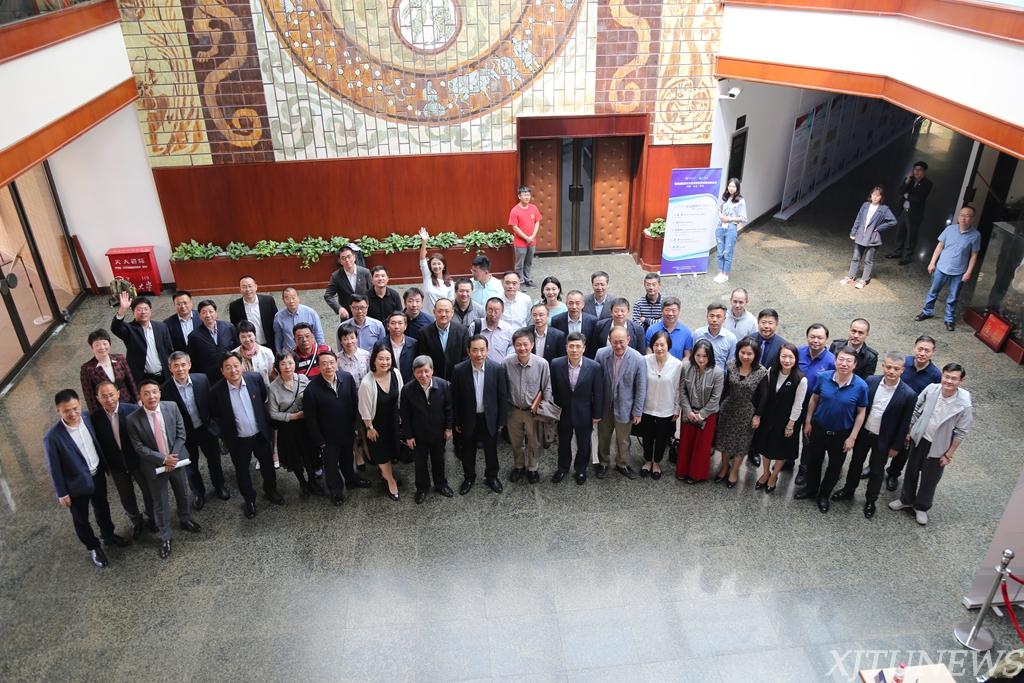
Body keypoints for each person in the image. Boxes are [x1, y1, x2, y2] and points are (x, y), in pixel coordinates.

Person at [44, 389, 131, 567]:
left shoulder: (87, 417)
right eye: (66, 410)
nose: (72, 413)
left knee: (102, 507)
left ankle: (108, 535)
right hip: (75, 483)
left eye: (75, 408)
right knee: (81, 518)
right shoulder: (52, 437)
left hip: (97, 473)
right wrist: (62, 493)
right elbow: (54, 468)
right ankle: (93, 547)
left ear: (80, 404)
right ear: (58, 411)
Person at [831, 352, 916, 518]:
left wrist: (896, 446)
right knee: (855, 463)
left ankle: (871, 500)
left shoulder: (909, 394)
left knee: (877, 470)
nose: (891, 371)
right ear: (883, 366)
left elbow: (904, 423)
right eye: (888, 367)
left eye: (896, 368)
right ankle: (849, 489)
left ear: (902, 370)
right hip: (864, 432)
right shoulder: (871, 381)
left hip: (884, 438)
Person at [889, 363, 972, 525]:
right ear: (942, 376)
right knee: (911, 471)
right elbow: (916, 410)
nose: (949, 381)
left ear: (961, 381)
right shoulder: (932, 389)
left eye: (954, 378)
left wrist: (949, 454)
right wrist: (909, 432)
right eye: (946, 376)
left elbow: (961, 432)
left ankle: (921, 507)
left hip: (940, 446)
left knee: (930, 478)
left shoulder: (964, 404)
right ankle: (906, 499)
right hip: (919, 439)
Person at [126, 380, 200, 559]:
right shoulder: (132, 419)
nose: (151, 396)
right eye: (146, 393)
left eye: (154, 392)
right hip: (154, 466)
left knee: (183, 493)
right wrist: (163, 459)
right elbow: (139, 447)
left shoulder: (172, 407)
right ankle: (165, 536)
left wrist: (172, 457)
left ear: (159, 393)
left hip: (176, 461)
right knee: (160, 502)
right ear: (140, 397)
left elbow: (181, 433)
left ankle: (185, 519)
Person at [795, 346, 869, 514]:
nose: (844, 364)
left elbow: (861, 413)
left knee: (835, 467)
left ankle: (824, 495)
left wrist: (852, 437)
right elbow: (814, 399)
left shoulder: (861, 386)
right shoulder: (823, 377)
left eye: (848, 361)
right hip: (819, 428)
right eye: (840, 359)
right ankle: (811, 489)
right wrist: (808, 421)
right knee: (814, 461)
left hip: (841, 433)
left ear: (855, 365)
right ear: (835, 361)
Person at [209, 352, 282, 518]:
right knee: (242, 471)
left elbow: (263, 399)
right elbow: (214, 417)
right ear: (222, 371)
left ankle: (271, 490)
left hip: (260, 434)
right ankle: (249, 500)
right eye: (228, 367)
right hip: (238, 440)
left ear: (242, 366)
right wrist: (223, 435)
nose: (233, 370)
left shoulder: (254, 379)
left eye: (236, 365)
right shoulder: (216, 392)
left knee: (267, 465)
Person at [162, 351, 229, 510]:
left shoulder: (202, 379)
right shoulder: (164, 390)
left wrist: (215, 425)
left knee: (214, 460)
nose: (180, 369)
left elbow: (211, 403)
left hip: (206, 429)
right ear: (170, 368)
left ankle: (219, 486)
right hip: (185, 435)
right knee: (191, 467)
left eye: (183, 365)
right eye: (176, 366)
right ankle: (198, 493)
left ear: (189, 365)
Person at [303, 350, 370, 506]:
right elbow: (310, 419)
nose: (328, 366)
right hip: (328, 437)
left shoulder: (346, 378)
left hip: (347, 431)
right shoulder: (311, 390)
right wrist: (320, 440)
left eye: (331, 362)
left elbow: (354, 403)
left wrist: (355, 426)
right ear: (318, 367)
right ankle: (336, 490)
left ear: (336, 363)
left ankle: (351, 480)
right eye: (324, 364)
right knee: (331, 466)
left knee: (348, 458)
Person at [91, 380, 155, 537]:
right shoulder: (96, 418)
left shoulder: (133, 410)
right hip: (116, 465)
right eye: (104, 396)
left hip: (138, 461)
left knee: (149, 491)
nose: (109, 399)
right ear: (98, 398)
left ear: (118, 394)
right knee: (126, 497)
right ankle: (136, 522)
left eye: (111, 394)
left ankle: (152, 517)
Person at [884, 335, 942, 491]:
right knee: (882, 439)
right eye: (920, 349)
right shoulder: (903, 363)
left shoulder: (935, 375)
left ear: (933, 352)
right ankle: (874, 466)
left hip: (914, 416)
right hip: (893, 408)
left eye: (927, 350)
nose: (922, 353)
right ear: (914, 348)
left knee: (904, 448)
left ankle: (893, 473)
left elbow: (932, 400)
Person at [451, 335, 508, 494]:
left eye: (482, 350)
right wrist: (456, 421)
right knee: (468, 450)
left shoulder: (497, 369)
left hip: (489, 418)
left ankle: (492, 477)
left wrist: (501, 421)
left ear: (487, 350)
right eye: (475, 350)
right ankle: (469, 477)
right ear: (468, 351)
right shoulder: (459, 370)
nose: (479, 354)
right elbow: (455, 398)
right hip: (468, 418)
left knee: (491, 450)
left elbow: (502, 396)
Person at [914, 206, 982, 331]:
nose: (964, 218)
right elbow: (940, 246)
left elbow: (974, 255)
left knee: (953, 296)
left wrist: (968, 272)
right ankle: (927, 311)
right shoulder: (949, 229)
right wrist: (932, 263)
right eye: (961, 215)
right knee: (933, 291)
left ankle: (949, 319)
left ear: (972, 218)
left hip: (959, 272)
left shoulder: (975, 235)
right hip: (941, 267)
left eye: (967, 216)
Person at [714, 337, 768, 487]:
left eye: (749, 354)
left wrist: (757, 416)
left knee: (741, 444)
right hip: (728, 409)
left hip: (747, 412)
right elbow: (725, 388)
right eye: (742, 352)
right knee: (725, 441)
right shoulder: (731, 365)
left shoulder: (761, 372)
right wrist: (719, 407)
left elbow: (764, 396)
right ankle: (724, 467)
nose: (745, 356)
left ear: (755, 355)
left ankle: (734, 471)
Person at [550, 332, 603, 485]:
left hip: (585, 413)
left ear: (584, 348)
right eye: (571, 346)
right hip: (563, 412)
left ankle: (580, 470)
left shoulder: (594, 367)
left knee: (584, 444)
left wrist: (596, 414)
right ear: (566, 347)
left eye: (578, 346)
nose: (574, 350)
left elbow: (598, 392)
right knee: (563, 443)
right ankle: (562, 468)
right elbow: (553, 388)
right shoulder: (556, 364)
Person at [268, 350, 323, 497]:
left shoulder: (303, 379)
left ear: (295, 364)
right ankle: (302, 483)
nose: (287, 367)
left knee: (310, 455)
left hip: (306, 425)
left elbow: (312, 397)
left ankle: (312, 481)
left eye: (290, 363)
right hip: (288, 429)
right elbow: (272, 413)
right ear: (278, 366)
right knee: (295, 458)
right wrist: (293, 416)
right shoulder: (273, 388)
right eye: (283, 364)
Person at [752, 343, 806, 493]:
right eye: (784, 356)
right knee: (766, 447)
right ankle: (765, 472)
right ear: (779, 357)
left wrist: (790, 425)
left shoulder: (800, 379)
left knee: (781, 449)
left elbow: (798, 405)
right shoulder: (772, 371)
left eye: (791, 357)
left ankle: (774, 475)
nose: (787, 360)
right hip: (769, 417)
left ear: (796, 359)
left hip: (786, 421)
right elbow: (766, 395)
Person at [595, 326, 647, 480]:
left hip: (626, 407)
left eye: (621, 342)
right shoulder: (601, 354)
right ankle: (603, 462)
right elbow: (595, 383)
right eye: (615, 342)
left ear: (628, 340)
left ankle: (622, 463)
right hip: (605, 406)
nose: (618, 345)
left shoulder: (638, 359)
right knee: (603, 437)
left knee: (623, 440)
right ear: (609, 340)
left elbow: (641, 387)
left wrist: (637, 411)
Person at [401, 355, 455, 504]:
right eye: (419, 372)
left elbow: (449, 408)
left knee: (439, 460)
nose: (423, 375)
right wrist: (408, 436)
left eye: (426, 371)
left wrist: (449, 428)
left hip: (438, 433)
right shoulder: (407, 390)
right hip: (418, 435)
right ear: (413, 372)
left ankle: (441, 484)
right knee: (420, 464)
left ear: (432, 370)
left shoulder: (443, 385)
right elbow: (405, 415)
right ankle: (422, 489)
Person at [503, 329, 552, 484]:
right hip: (513, 410)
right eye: (518, 344)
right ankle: (518, 465)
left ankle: (532, 468)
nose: (522, 348)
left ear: (532, 344)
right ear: (514, 346)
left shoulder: (542, 363)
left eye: (525, 344)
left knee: (533, 442)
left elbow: (547, 388)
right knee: (516, 442)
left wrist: (545, 412)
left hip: (533, 412)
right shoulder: (506, 363)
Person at [675, 339, 724, 483]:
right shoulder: (686, 367)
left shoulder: (718, 373)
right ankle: (682, 470)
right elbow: (682, 390)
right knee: (686, 443)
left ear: (710, 356)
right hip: (689, 412)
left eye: (705, 356)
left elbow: (716, 398)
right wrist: (688, 411)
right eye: (698, 355)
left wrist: (702, 414)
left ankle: (696, 474)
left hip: (707, 415)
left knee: (701, 447)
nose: (701, 359)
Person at [794, 323, 836, 486]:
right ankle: (788, 460)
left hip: (815, 407)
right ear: (807, 337)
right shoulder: (798, 352)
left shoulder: (831, 361)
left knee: (808, 439)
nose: (815, 341)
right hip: (796, 403)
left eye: (820, 338)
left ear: (826, 339)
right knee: (791, 432)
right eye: (812, 337)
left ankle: (803, 469)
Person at [358, 346, 402, 500]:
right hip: (376, 424)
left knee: (391, 450)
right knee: (381, 453)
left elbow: (401, 396)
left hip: (393, 421)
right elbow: (364, 408)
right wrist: (369, 427)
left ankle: (385, 474)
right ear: (374, 361)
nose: (385, 362)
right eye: (381, 359)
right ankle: (390, 480)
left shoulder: (396, 373)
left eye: (388, 359)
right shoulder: (367, 382)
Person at [640, 330, 681, 479]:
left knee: (662, 438)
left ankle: (656, 462)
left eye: (662, 345)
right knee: (647, 436)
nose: (659, 348)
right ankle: (647, 460)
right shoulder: (644, 360)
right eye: (656, 345)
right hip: (647, 407)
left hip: (666, 408)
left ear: (668, 345)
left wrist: (677, 408)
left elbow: (678, 388)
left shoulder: (677, 364)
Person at [841, 186, 897, 288]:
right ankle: (851, 276)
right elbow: (858, 219)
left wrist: (879, 228)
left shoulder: (884, 209)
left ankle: (864, 279)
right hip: (861, 235)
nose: (875, 197)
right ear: (871, 195)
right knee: (855, 257)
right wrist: (853, 232)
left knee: (868, 260)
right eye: (874, 194)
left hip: (872, 238)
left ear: (881, 197)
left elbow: (893, 221)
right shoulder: (865, 205)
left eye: (878, 195)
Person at [111, 292, 173, 383]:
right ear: (133, 312)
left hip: (165, 375)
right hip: (143, 378)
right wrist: (123, 309)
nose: (143, 312)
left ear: (150, 311)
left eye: (146, 309)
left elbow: (169, 349)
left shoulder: (161, 327)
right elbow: (115, 328)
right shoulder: (129, 329)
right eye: (139, 309)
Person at [80, 329, 138, 413]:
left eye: (104, 343)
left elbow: (131, 382)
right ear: (92, 347)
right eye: (97, 345)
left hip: (127, 402)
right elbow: (89, 396)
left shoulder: (120, 359)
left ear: (109, 344)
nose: (102, 347)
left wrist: (137, 400)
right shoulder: (87, 368)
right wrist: (95, 414)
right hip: (106, 408)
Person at [888, 161, 933, 265]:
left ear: (924, 172)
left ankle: (907, 257)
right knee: (900, 232)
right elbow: (900, 191)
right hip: (903, 211)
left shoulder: (927, 184)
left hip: (914, 214)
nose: (916, 172)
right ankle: (897, 252)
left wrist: (907, 196)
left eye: (919, 170)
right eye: (915, 169)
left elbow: (919, 198)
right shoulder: (909, 180)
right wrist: (907, 181)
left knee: (911, 236)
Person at [417, 298, 468, 381]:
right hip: (433, 379)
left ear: (452, 313)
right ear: (434, 312)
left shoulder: (462, 331)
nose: (443, 314)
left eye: (447, 311)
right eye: (440, 311)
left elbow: (465, 358)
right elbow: (423, 358)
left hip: (457, 379)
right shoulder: (424, 333)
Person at [186, 299, 239, 379]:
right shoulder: (194, 336)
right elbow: (193, 361)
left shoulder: (228, 327)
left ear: (216, 313)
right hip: (209, 376)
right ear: (199, 316)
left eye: (211, 311)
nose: (208, 315)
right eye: (204, 312)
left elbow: (238, 348)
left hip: (231, 373)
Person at [229, 275, 278, 349]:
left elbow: (276, 322)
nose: (248, 289)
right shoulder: (234, 306)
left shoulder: (268, 301)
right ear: (240, 289)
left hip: (269, 344)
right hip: (248, 347)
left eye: (250, 286)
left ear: (256, 287)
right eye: (244, 287)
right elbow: (236, 329)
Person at [324, 245, 371, 321]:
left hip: (365, 314)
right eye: (343, 258)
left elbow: (372, 292)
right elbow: (328, 295)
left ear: (354, 257)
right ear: (340, 261)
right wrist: (339, 308)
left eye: (349, 256)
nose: (347, 260)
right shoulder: (336, 276)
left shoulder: (365, 272)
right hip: (347, 315)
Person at [273, 287, 325, 354]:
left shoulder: (310, 313)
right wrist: (278, 353)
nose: (291, 301)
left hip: (309, 352)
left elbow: (318, 333)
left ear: (298, 298)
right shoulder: (278, 317)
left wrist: (322, 352)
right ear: (283, 300)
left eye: (293, 298)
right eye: (287, 298)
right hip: (290, 354)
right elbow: (278, 338)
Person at [714, 177, 746, 283]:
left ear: (737, 188)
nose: (731, 188)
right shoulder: (725, 197)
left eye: (734, 186)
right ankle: (720, 271)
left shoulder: (741, 201)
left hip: (731, 228)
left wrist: (729, 219)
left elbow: (743, 218)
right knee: (720, 251)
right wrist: (720, 215)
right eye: (730, 186)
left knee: (727, 252)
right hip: (720, 226)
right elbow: (719, 208)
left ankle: (725, 274)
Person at [508, 185, 541, 286]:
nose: (527, 197)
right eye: (524, 195)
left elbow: (537, 222)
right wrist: (526, 238)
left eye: (528, 195)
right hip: (520, 242)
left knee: (529, 262)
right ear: (519, 196)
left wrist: (532, 236)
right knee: (519, 264)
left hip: (532, 241)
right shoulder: (515, 210)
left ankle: (528, 279)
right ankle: (520, 281)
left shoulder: (534, 208)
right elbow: (515, 227)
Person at [418, 228, 455, 307]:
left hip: (442, 314)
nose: (436, 266)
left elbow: (450, 303)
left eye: (439, 264)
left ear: (444, 266)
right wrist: (424, 241)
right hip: (426, 314)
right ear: (430, 266)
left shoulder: (450, 283)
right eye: (434, 264)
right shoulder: (427, 276)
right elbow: (422, 259)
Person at [232, 320, 276, 386]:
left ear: (255, 335)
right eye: (243, 337)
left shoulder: (267, 352)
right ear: (239, 338)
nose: (247, 339)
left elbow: (273, 375)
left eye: (249, 336)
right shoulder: (233, 355)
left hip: (265, 388)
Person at [693, 303, 737, 368]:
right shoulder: (698, 333)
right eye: (712, 316)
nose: (714, 320)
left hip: (721, 373)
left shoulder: (731, 338)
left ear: (724, 319)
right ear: (707, 317)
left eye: (718, 317)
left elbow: (731, 363)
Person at [472, 297, 515, 363]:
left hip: (501, 367)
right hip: (479, 366)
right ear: (486, 310)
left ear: (502, 311)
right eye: (490, 310)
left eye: (496, 311)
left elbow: (512, 346)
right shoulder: (475, 326)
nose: (493, 314)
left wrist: (507, 358)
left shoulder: (508, 329)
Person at [386, 311, 418, 382]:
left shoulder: (414, 344)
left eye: (400, 323)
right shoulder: (381, 344)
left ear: (405, 326)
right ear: (388, 326)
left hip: (409, 383)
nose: (396, 327)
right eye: (393, 323)